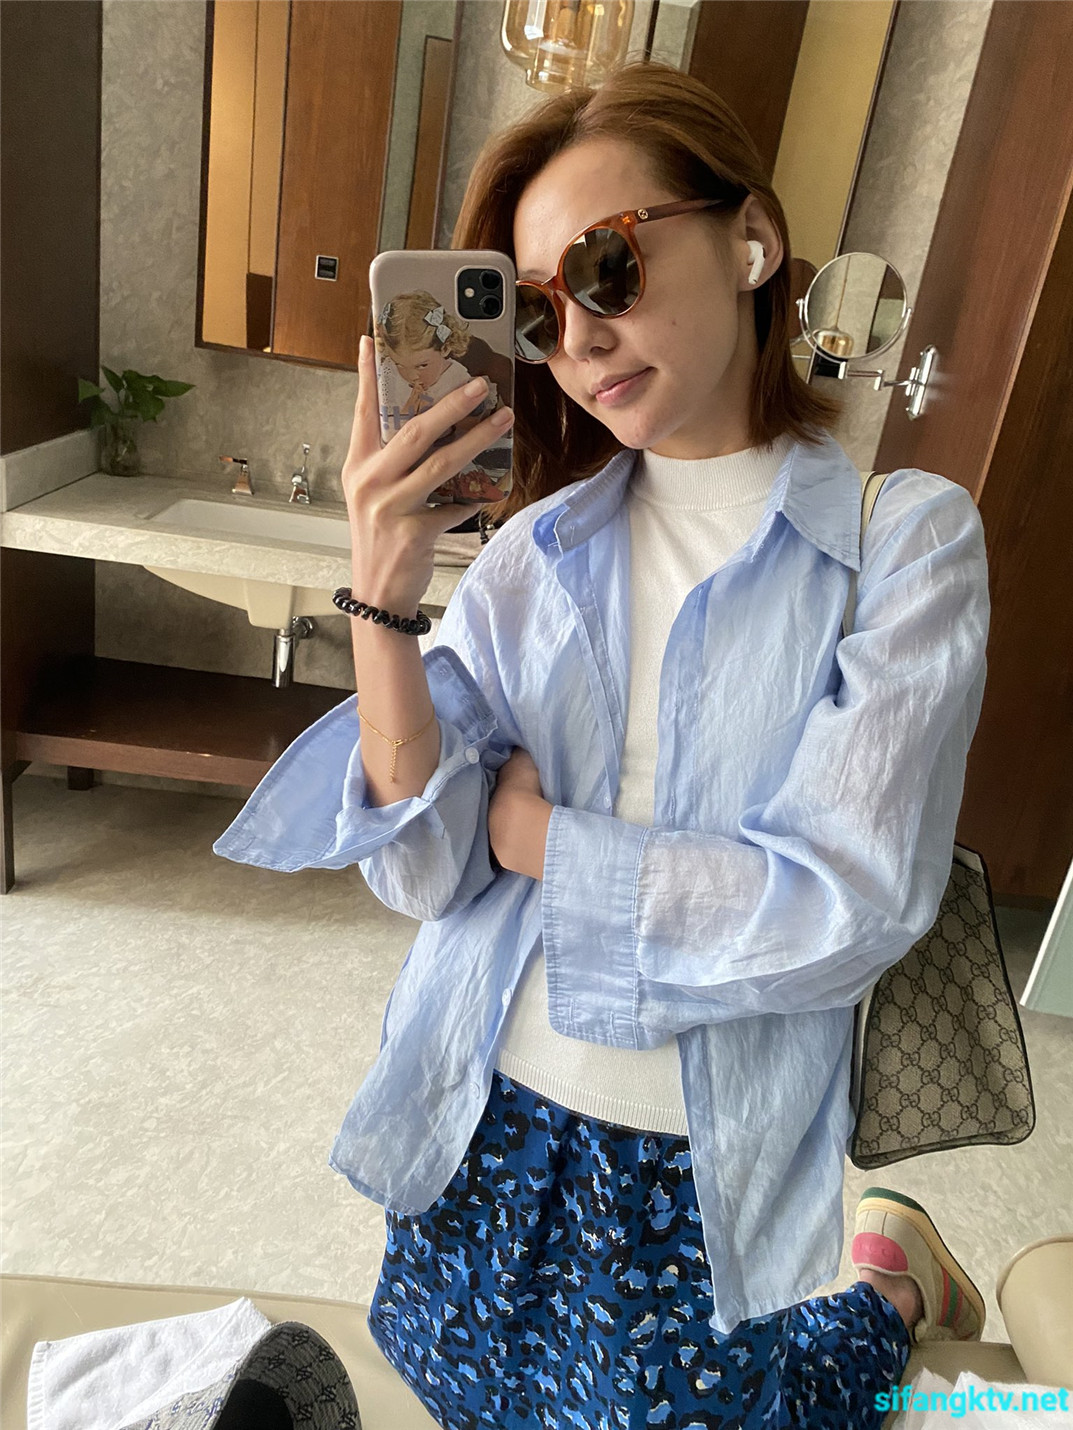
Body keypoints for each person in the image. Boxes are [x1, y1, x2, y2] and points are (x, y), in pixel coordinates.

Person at [213, 61, 991, 1430]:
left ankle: (890, 1284)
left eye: (606, 266)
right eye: (535, 307)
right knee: (461, 1380)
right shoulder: (530, 553)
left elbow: (846, 902)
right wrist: (383, 599)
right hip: (483, 1099)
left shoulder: (902, 544)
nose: (576, 335)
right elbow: (428, 870)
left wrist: (546, 843)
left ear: (751, 239)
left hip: (699, 1149)